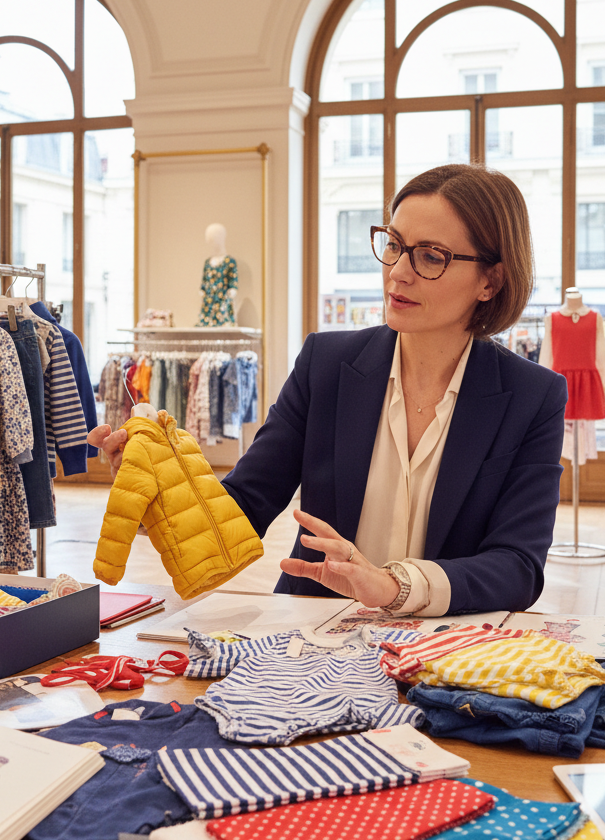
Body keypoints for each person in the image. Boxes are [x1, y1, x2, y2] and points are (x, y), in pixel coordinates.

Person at [90, 164, 566, 615]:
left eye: (430, 256)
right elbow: (244, 508)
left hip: (444, 648)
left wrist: (396, 586)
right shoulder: (327, 365)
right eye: (394, 245)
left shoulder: (532, 397)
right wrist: (163, 484)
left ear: (491, 280)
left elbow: (518, 568)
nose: (397, 272)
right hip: (313, 630)